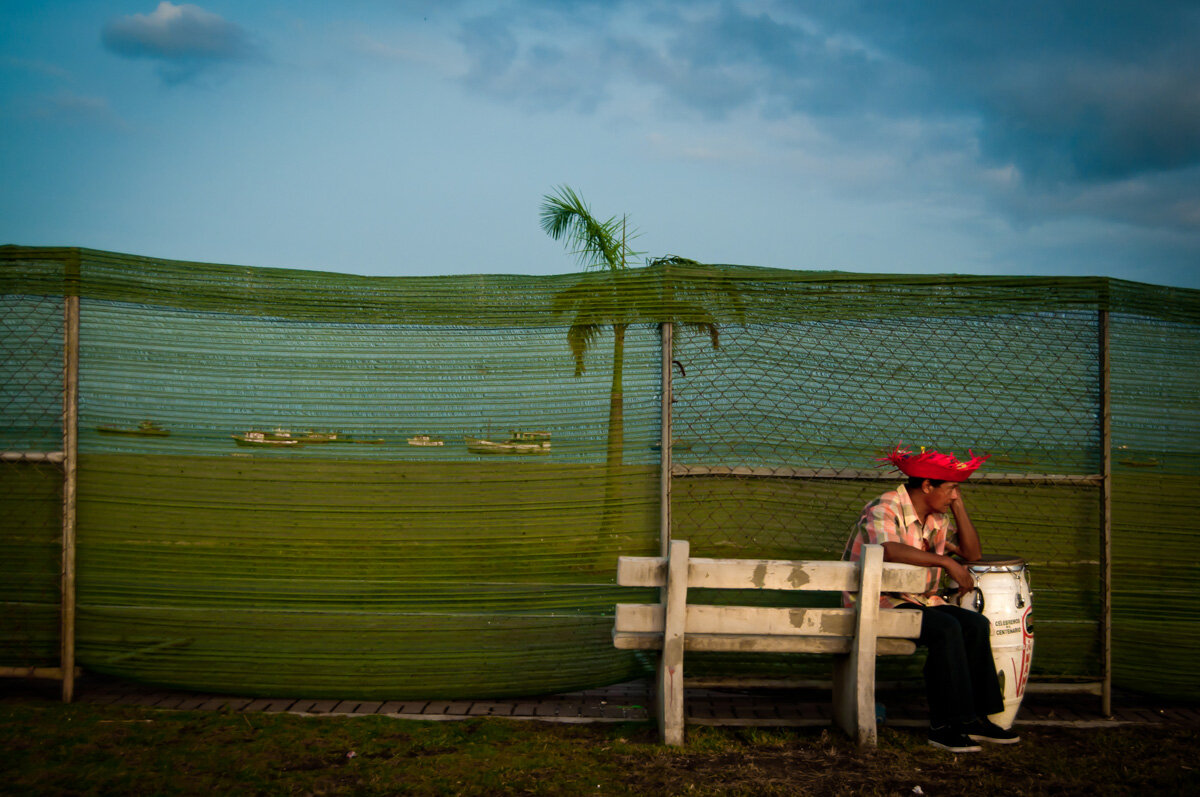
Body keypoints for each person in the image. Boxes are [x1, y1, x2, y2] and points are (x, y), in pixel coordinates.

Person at [843, 445, 1020, 752]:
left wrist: (958, 508)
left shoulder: (936, 519)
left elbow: (973, 554)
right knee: (946, 628)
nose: (954, 495)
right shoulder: (885, 506)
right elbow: (889, 548)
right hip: (877, 605)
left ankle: (973, 719)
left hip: (917, 601)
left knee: (974, 624)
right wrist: (946, 562)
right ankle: (944, 725)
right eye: (951, 489)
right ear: (927, 485)